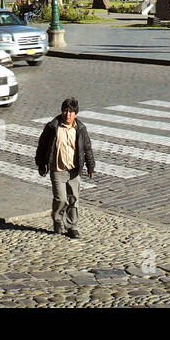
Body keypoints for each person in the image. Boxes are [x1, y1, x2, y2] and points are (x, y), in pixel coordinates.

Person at [35, 97, 95, 239]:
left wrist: (90, 166)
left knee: (73, 199)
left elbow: (87, 148)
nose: (67, 114)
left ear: (75, 114)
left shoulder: (80, 129)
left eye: (71, 112)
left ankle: (72, 226)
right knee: (61, 199)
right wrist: (41, 165)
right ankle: (57, 221)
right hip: (57, 169)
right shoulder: (52, 127)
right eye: (65, 111)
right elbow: (42, 147)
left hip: (74, 171)